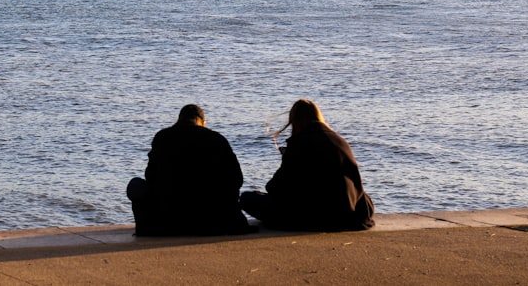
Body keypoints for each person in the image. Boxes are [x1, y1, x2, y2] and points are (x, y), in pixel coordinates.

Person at [240, 99, 375, 231]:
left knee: (247, 198)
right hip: (350, 214)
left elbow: (275, 187)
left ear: (295, 121)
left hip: (313, 216)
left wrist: (287, 159)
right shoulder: (340, 141)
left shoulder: (299, 143)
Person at [127, 104, 253, 236]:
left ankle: (145, 227)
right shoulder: (217, 139)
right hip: (211, 219)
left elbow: (150, 175)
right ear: (203, 122)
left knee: (135, 184)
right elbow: (236, 178)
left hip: (167, 218)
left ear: (178, 120)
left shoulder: (162, 137)